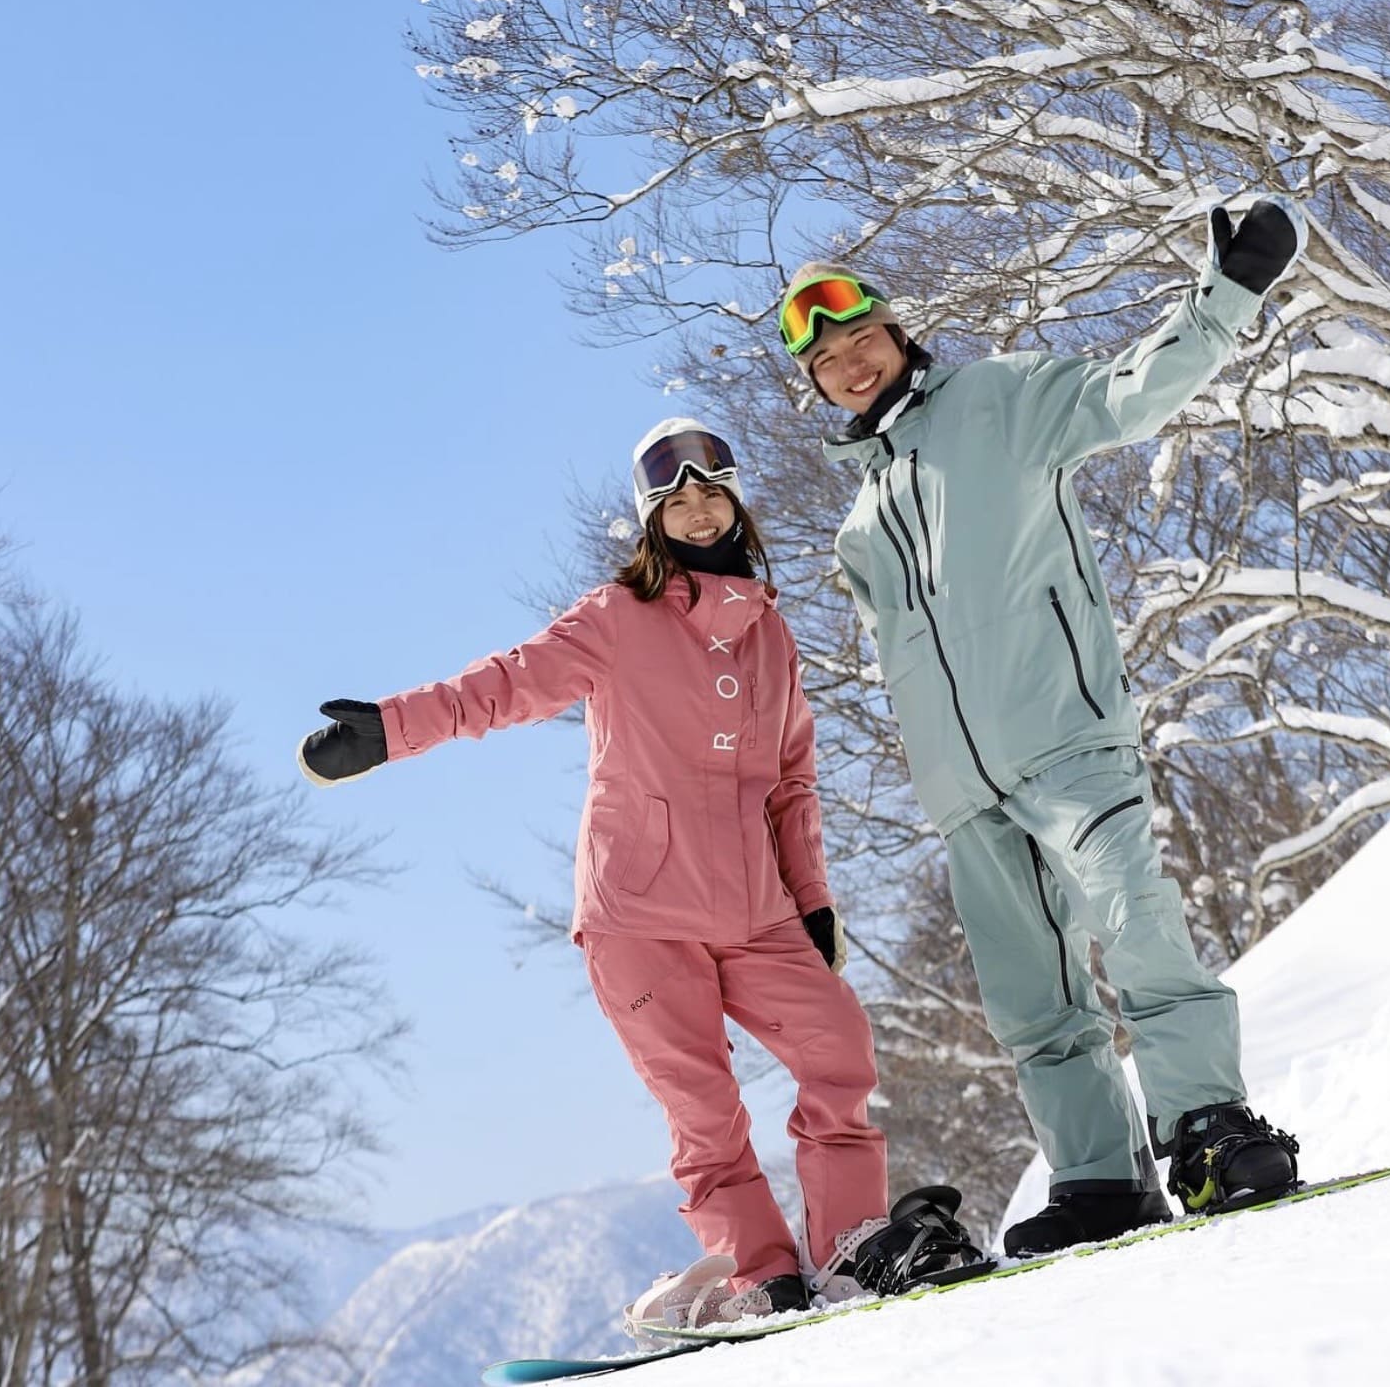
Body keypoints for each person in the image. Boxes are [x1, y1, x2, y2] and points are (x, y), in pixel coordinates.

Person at [295, 420, 986, 1329]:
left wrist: (811, 900)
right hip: (639, 914)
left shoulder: (768, 634)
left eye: (711, 492)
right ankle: (760, 1274)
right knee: (704, 1109)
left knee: (839, 1052)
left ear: (735, 500)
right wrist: (389, 730)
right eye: (675, 499)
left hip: (756, 910)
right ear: (651, 521)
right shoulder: (614, 619)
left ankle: (851, 1246)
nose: (698, 509)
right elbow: (507, 684)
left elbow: (791, 781)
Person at [776, 199, 1306, 1256]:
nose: (850, 362)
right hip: (962, 788)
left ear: (899, 332)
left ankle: (1204, 1125)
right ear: (814, 384)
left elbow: (1131, 392)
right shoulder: (856, 521)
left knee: (1133, 919)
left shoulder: (999, 400)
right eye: (826, 358)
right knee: (1032, 999)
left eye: (862, 337)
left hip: (1064, 733)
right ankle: (1101, 1177)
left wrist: (1225, 296)